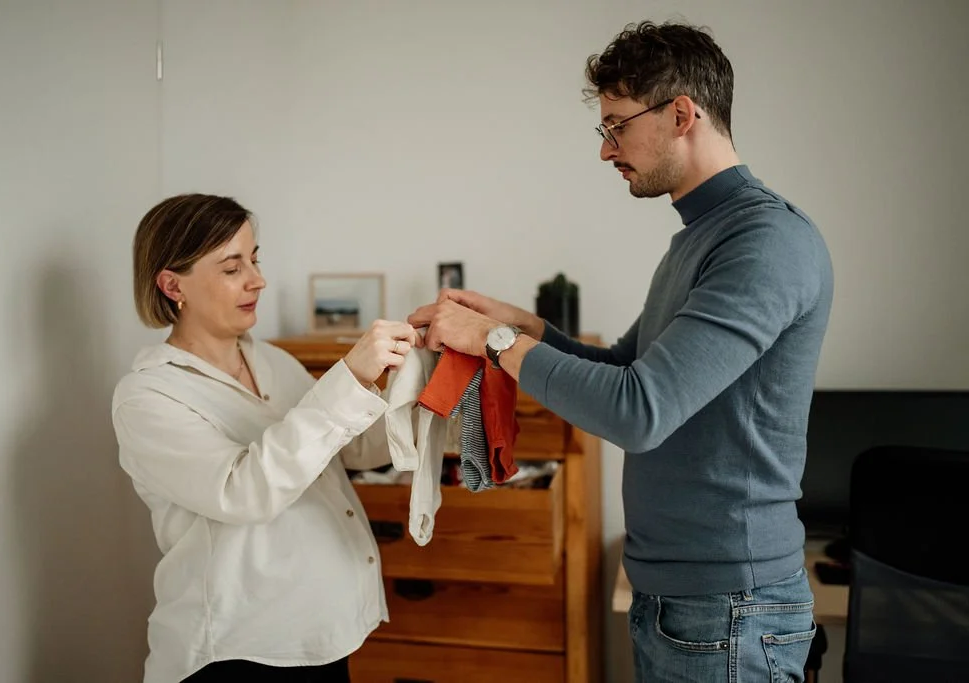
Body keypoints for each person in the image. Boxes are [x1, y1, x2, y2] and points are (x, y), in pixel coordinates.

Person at [409, 20, 834, 683]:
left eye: (617, 126)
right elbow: (624, 372)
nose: (607, 150)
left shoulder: (765, 243)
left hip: (729, 610)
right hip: (685, 602)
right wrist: (520, 325)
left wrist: (493, 342)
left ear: (681, 115)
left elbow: (639, 410)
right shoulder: (699, 237)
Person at [112, 193, 419, 683]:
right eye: (232, 268)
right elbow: (245, 492)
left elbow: (349, 450)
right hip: (241, 649)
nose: (257, 280)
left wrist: (424, 392)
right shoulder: (147, 397)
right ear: (172, 285)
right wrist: (350, 379)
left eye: (254, 260)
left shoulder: (274, 361)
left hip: (324, 634)